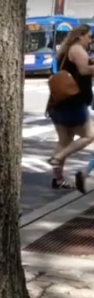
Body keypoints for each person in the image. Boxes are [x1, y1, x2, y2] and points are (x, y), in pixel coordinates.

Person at [46, 25, 94, 190]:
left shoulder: (65, 51)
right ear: (81, 35)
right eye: (89, 36)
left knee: (64, 140)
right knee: (89, 135)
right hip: (74, 101)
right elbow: (84, 70)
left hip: (58, 101)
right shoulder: (77, 49)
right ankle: (58, 157)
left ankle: (58, 179)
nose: (90, 40)